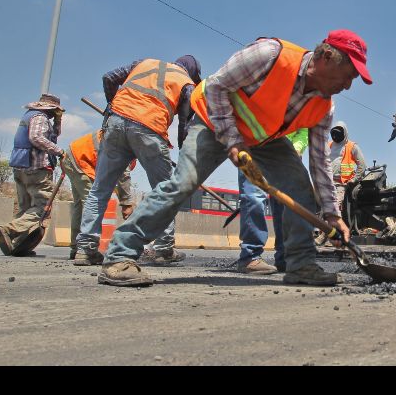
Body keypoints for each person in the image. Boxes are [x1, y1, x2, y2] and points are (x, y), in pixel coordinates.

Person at [97, 30, 372, 287]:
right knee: (183, 183)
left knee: (300, 187)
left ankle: (300, 264)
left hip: (263, 139)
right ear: (326, 57)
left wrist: (333, 214)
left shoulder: (324, 107)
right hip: (214, 121)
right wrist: (232, 139)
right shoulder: (270, 54)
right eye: (347, 76)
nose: (348, 86)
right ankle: (120, 256)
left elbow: (320, 164)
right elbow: (216, 87)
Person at [73, 55, 201, 266]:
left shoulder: (143, 63)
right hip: (149, 130)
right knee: (165, 191)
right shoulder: (186, 83)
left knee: (99, 189)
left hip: (115, 123)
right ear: (192, 72)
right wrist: (183, 149)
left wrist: (112, 106)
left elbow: (109, 78)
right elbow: (184, 124)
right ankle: (164, 248)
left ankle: (85, 249)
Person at [0, 93, 65, 255]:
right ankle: (9, 229)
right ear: (51, 108)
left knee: (25, 208)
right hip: (37, 168)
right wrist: (60, 152)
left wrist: (58, 121)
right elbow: (36, 138)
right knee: (42, 208)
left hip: (21, 167)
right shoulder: (40, 118)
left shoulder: (30, 116)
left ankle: (17, 245)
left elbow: (53, 136)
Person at [234, 128, 308, 275]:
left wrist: (296, 148)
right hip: (254, 145)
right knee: (253, 197)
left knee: (285, 205)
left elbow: (303, 129)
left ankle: (284, 259)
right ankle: (250, 257)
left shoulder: (304, 105)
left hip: (283, 155)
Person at [60, 129, 136, 260]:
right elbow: (123, 175)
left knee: (81, 206)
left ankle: (77, 247)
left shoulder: (120, 129)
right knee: (93, 202)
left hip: (72, 156)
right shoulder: (128, 142)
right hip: (82, 160)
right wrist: (126, 203)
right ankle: (86, 250)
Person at [327, 121, 366, 212]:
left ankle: (332, 225)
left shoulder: (352, 146)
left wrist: (354, 179)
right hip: (327, 183)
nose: (336, 135)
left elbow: (362, 165)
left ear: (345, 133)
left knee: (334, 208)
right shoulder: (328, 146)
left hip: (342, 184)